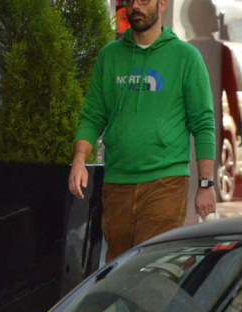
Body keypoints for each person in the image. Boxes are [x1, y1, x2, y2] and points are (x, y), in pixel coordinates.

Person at [71, 0, 216, 261]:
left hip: (165, 182)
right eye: (131, 0)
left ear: (162, 4)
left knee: (154, 268)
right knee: (119, 268)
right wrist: (79, 160)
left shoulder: (185, 57)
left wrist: (206, 184)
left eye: (144, 0)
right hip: (116, 183)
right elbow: (92, 116)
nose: (136, 6)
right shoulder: (109, 56)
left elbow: (203, 124)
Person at [185, 0, 242, 206]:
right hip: (211, 126)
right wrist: (239, 124)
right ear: (205, 19)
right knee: (207, 179)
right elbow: (232, 93)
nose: (217, 18)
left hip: (186, 127)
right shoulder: (222, 52)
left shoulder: (186, 50)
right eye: (213, 14)